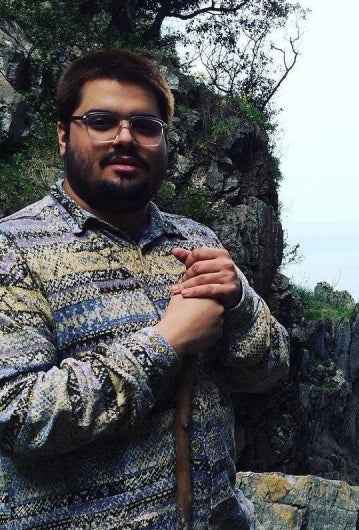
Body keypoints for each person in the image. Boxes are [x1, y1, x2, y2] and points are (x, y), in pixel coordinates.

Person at [0, 49, 290, 529]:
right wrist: (166, 343)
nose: (125, 138)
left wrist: (239, 303)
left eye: (145, 125)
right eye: (101, 120)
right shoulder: (14, 248)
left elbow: (268, 374)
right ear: (62, 136)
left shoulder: (195, 240)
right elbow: (19, 416)